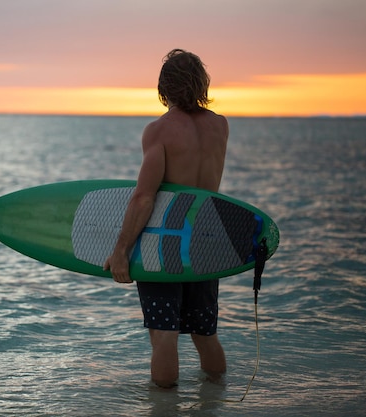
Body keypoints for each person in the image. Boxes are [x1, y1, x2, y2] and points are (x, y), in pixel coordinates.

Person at [104, 49, 229, 388]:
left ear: (165, 87)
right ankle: (217, 403)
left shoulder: (159, 131)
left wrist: (121, 251)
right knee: (205, 334)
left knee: (164, 335)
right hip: (207, 243)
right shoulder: (220, 126)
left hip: (167, 244)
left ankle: (164, 410)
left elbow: (145, 197)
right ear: (201, 83)